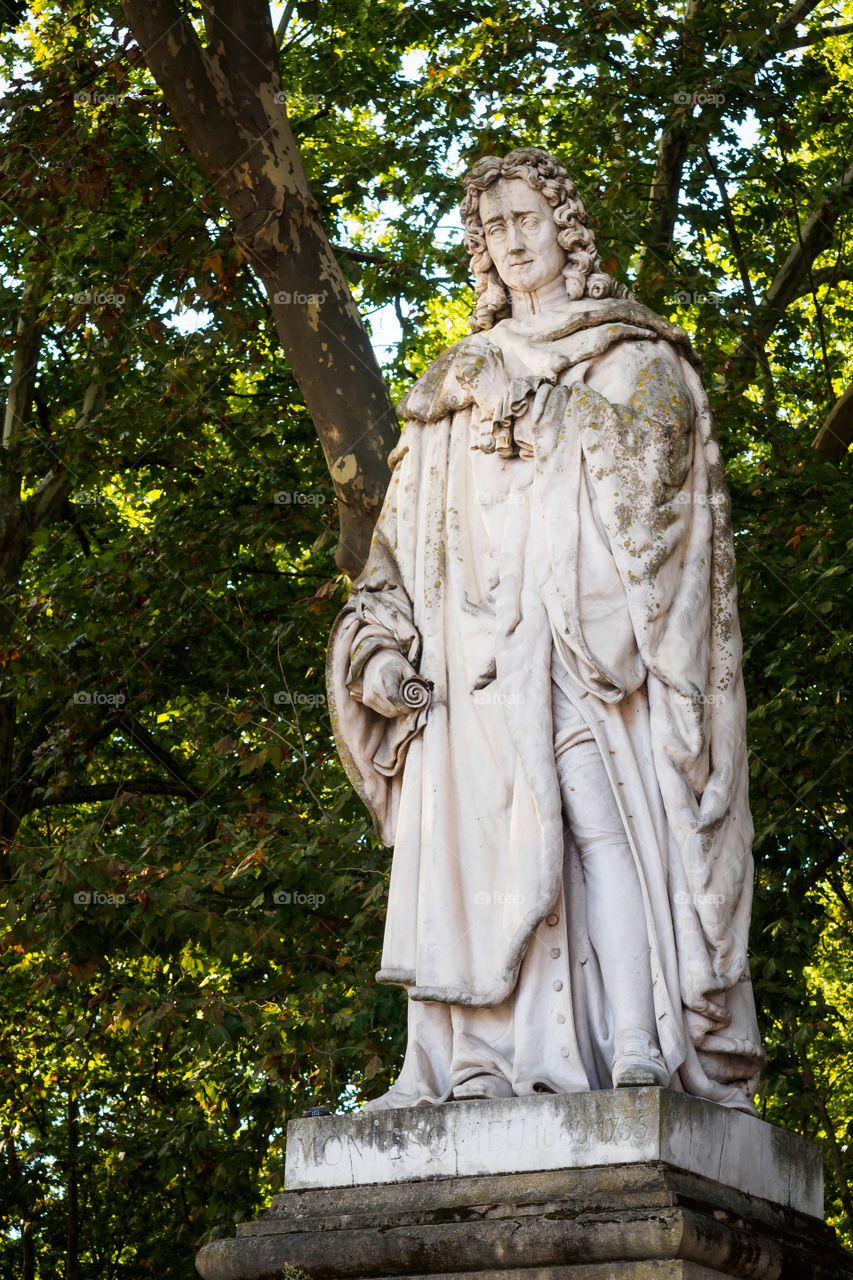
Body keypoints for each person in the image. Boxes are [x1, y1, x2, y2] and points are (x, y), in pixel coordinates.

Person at [327, 147, 765, 1112]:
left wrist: (533, 405)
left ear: (563, 224)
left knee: (594, 824)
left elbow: (657, 492)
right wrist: (383, 646)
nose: (508, 241)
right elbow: (398, 550)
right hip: (464, 672)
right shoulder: (449, 383)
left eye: (523, 218)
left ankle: (634, 1041)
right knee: (463, 848)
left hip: (577, 652)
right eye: (488, 229)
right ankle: (464, 1066)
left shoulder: (632, 357)